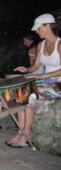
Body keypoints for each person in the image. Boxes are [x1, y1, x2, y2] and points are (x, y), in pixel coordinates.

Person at [8, 13, 61, 148]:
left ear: (48, 26)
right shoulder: (40, 45)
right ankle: (20, 131)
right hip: (45, 82)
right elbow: (36, 66)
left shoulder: (59, 45)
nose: (36, 32)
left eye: (38, 28)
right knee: (19, 92)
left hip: (58, 84)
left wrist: (44, 76)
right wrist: (27, 69)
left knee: (31, 96)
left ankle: (27, 133)